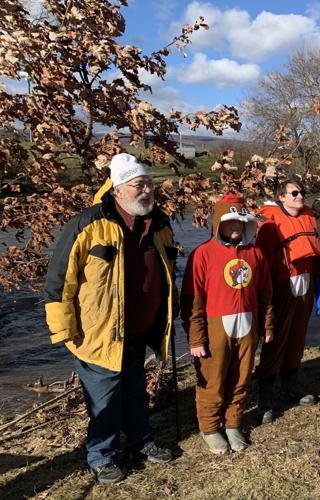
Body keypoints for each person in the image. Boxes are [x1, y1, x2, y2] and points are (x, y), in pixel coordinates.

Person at [44, 153, 176, 484]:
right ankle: (102, 456)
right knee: (104, 400)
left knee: (134, 391)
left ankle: (140, 443)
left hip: (139, 330)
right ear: (117, 189)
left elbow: (167, 273)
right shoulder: (88, 223)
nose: (147, 190)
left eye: (149, 183)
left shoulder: (159, 223)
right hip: (96, 335)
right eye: (138, 184)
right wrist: (63, 331)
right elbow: (60, 281)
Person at [180, 195, 273, 454]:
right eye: (230, 223)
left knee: (241, 376)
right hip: (215, 327)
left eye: (240, 223)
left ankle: (233, 423)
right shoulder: (202, 254)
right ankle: (210, 427)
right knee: (213, 379)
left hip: (248, 325)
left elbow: (266, 295)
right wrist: (196, 338)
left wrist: (267, 326)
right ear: (218, 223)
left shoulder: (256, 254)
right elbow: (192, 301)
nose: (235, 228)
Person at [254, 178, 320, 424]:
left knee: (297, 338)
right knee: (275, 340)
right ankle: (265, 397)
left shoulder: (308, 218)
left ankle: (290, 387)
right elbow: (262, 264)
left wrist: (319, 288)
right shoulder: (270, 225)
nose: (299, 196)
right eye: (294, 193)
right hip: (282, 287)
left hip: (305, 284)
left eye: (301, 192)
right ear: (281, 197)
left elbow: (314, 255)